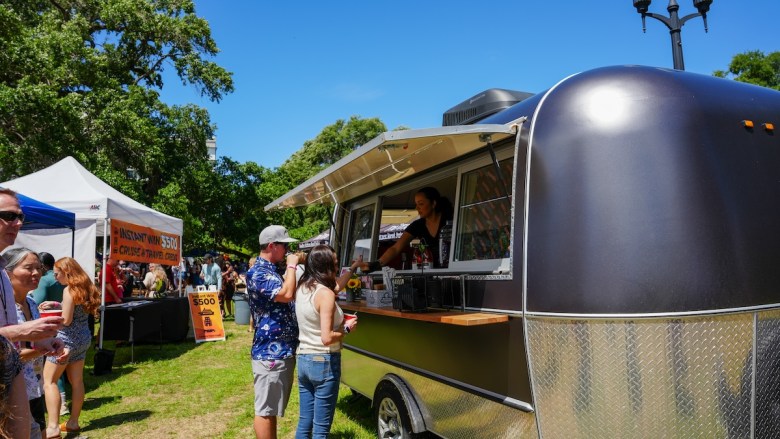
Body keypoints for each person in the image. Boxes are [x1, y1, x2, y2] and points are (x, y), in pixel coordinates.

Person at [0, 188, 65, 438]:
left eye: (20, 217)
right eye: (9, 216)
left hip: (18, 382)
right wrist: (24, 331)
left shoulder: (3, 275)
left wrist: (44, 342)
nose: (18, 223)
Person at [294, 245, 360, 438]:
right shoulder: (326, 294)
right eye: (335, 263)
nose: (337, 267)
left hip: (304, 359)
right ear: (325, 265)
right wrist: (347, 328)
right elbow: (327, 338)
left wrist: (353, 268)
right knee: (321, 429)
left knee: (305, 422)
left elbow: (337, 286)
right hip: (323, 361)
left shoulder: (303, 288)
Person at [245, 225, 299, 439]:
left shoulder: (270, 270)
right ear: (271, 246)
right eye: (284, 245)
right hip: (270, 352)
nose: (287, 250)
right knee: (266, 410)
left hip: (279, 350)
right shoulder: (258, 272)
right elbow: (286, 294)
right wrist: (292, 266)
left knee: (271, 408)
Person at [42, 257, 101, 438]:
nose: (55, 277)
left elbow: (66, 320)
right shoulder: (85, 287)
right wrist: (56, 305)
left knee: (49, 381)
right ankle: (73, 422)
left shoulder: (68, 290)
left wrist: (48, 316)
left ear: (66, 272)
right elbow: (73, 309)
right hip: (83, 338)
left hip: (66, 341)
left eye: (57, 273)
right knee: (77, 382)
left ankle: (53, 427)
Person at [5, 248, 58, 438]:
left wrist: (53, 342)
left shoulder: (32, 303)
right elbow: (7, 355)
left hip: (35, 385)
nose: (36, 273)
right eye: (28, 268)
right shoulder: (5, 309)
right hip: (12, 391)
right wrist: (42, 350)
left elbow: (35, 342)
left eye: (39, 268)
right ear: (7, 272)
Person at [363, 186, 454, 272]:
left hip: (452, 271)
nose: (417, 208)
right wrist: (375, 264)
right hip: (429, 272)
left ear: (433, 204)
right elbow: (396, 248)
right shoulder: (418, 225)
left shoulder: (450, 220)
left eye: (421, 204)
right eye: (416, 204)